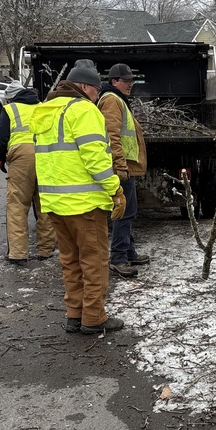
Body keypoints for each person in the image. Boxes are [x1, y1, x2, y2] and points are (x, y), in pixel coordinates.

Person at [30, 59, 126, 335]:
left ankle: (75, 313)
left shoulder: (46, 110)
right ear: (84, 87)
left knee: (70, 261)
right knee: (93, 262)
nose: (99, 96)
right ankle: (94, 317)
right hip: (85, 204)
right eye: (97, 90)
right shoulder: (83, 110)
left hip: (54, 204)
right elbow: (95, 158)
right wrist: (114, 189)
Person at [0, 81, 57, 266]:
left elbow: (0, 138)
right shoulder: (44, 107)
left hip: (21, 156)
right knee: (45, 204)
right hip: (46, 154)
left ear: (11, 97)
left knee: (17, 205)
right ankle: (46, 250)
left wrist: (1, 156)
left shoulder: (10, 109)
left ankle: (18, 253)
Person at [96, 63, 149, 278]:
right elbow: (112, 135)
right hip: (121, 167)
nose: (130, 85)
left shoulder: (116, 99)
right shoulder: (111, 100)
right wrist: (119, 165)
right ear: (114, 82)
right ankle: (118, 258)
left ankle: (128, 252)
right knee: (124, 213)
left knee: (130, 211)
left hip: (125, 166)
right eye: (126, 81)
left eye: (131, 81)